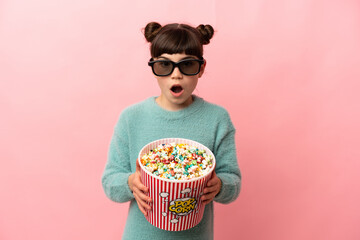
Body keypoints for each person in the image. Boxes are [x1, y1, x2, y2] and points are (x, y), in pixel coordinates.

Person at [101, 21, 241, 240]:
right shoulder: (131, 118)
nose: (176, 75)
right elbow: (110, 181)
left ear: (201, 69)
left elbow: (233, 182)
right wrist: (130, 183)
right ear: (154, 68)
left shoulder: (217, 119)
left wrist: (220, 185)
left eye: (187, 65)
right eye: (165, 66)